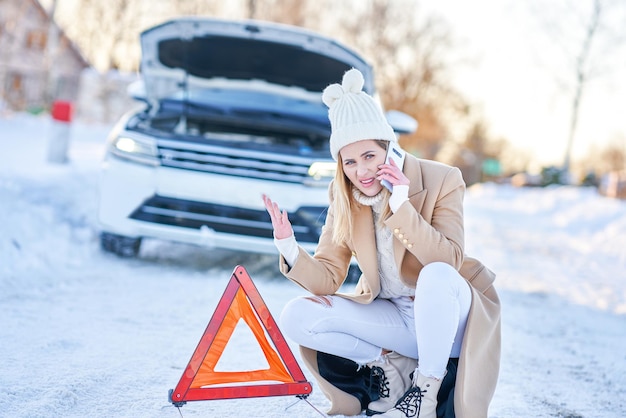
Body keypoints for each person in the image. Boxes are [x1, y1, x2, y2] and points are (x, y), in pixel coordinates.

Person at [262, 68, 500, 418]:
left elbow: (448, 259)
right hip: (398, 320)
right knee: (296, 315)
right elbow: (328, 276)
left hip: (450, 318)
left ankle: (426, 395)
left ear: (388, 148)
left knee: (435, 275)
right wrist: (288, 246)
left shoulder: (442, 179)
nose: (361, 172)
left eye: (370, 157)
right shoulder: (343, 195)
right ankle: (393, 368)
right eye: (350, 162)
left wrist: (401, 207)